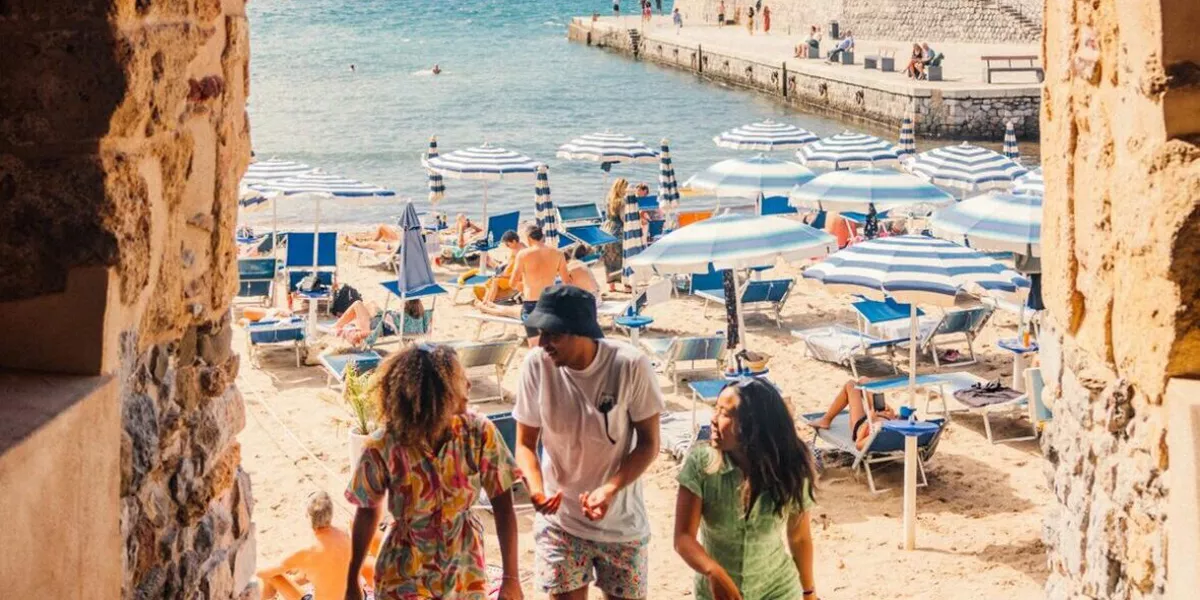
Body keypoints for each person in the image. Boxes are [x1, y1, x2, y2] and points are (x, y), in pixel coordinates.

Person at [513, 285, 665, 600]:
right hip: (561, 524)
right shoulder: (536, 365)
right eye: (540, 333)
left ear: (580, 332)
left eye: (552, 335)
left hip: (622, 523)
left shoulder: (630, 366)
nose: (543, 344)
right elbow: (525, 443)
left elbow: (649, 444)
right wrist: (537, 489)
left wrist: (609, 489)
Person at [344, 344, 524, 600]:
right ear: (438, 394)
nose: (469, 386)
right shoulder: (383, 446)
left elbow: (504, 506)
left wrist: (511, 578)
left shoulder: (478, 434)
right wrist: (352, 578)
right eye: (461, 381)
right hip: (402, 573)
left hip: (463, 572)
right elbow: (366, 511)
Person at [674, 379, 820, 600]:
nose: (713, 420)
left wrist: (808, 592)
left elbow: (799, 537)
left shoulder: (792, 469)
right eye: (716, 409)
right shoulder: (701, 464)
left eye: (725, 414)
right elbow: (683, 537)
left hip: (777, 589)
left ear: (754, 426)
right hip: (715, 593)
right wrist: (713, 572)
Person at [258, 491, 354, 600]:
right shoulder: (345, 534)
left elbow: (264, 573)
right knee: (302, 573)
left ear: (308, 516)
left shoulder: (308, 550)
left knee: (272, 577)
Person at [509, 225, 571, 346]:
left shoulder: (523, 255)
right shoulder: (558, 253)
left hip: (531, 303)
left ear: (528, 238)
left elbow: (512, 282)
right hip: (550, 302)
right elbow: (567, 282)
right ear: (542, 237)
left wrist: (523, 287)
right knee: (553, 345)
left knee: (534, 345)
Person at [806, 378, 898, 449]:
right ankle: (826, 419)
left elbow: (858, 444)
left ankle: (826, 420)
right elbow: (900, 422)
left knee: (850, 384)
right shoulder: (906, 430)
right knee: (864, 380)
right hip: (884, 416)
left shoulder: (876, 434)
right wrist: (893, 417)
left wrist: (869, 420)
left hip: (863, 425)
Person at [332, 299, 426, 345]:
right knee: (372, 304)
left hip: (370, 326)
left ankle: (336, 326)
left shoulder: (399, 320)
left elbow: (375, 331)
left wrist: (359, 335)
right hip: (377, 320)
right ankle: (349, 323)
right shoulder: (418, 319)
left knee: (357, 304)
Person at [474, 229, 525, 304]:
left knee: (496, 281)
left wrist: (505, 275)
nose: (507, 247)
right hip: (507, 275)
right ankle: (485, 301)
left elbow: (521, 273)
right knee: (491, 281)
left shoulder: (523, 253)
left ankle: (489, 303)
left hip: (514, 279)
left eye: (508, 244)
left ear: (514, 241)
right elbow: (510, 263)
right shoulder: (516, 248)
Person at [601, 178, 630, 290]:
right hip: (618, 231)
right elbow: (623, 218)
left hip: (607, 229)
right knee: (623, 258)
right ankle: (626, 285)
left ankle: (611, 285)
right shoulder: (623, 202)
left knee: (609, 258)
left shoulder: (609, 200)